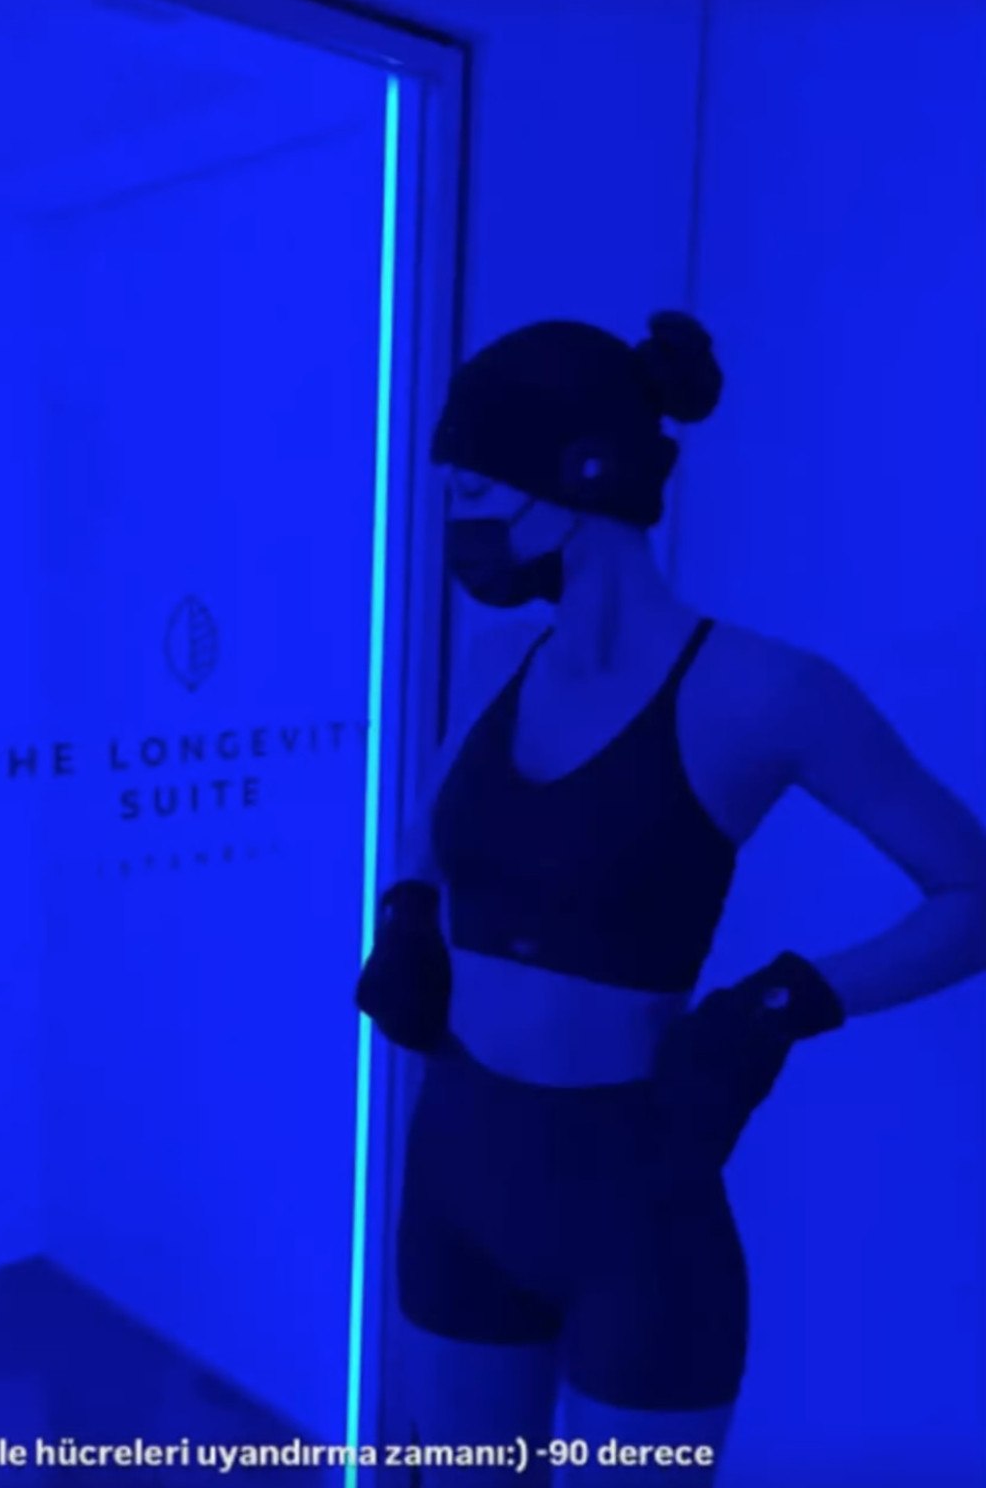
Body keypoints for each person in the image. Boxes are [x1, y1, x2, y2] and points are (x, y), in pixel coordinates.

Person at [356, 313, 986, 1485]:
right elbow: (423, 829)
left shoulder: (764, 691)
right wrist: (404, 914)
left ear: (580, 477)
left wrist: (788, 1000)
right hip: (456, 1164)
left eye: (473, 490)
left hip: (634, 1203)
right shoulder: (501, 666)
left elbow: (972, 889)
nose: (455, 526)